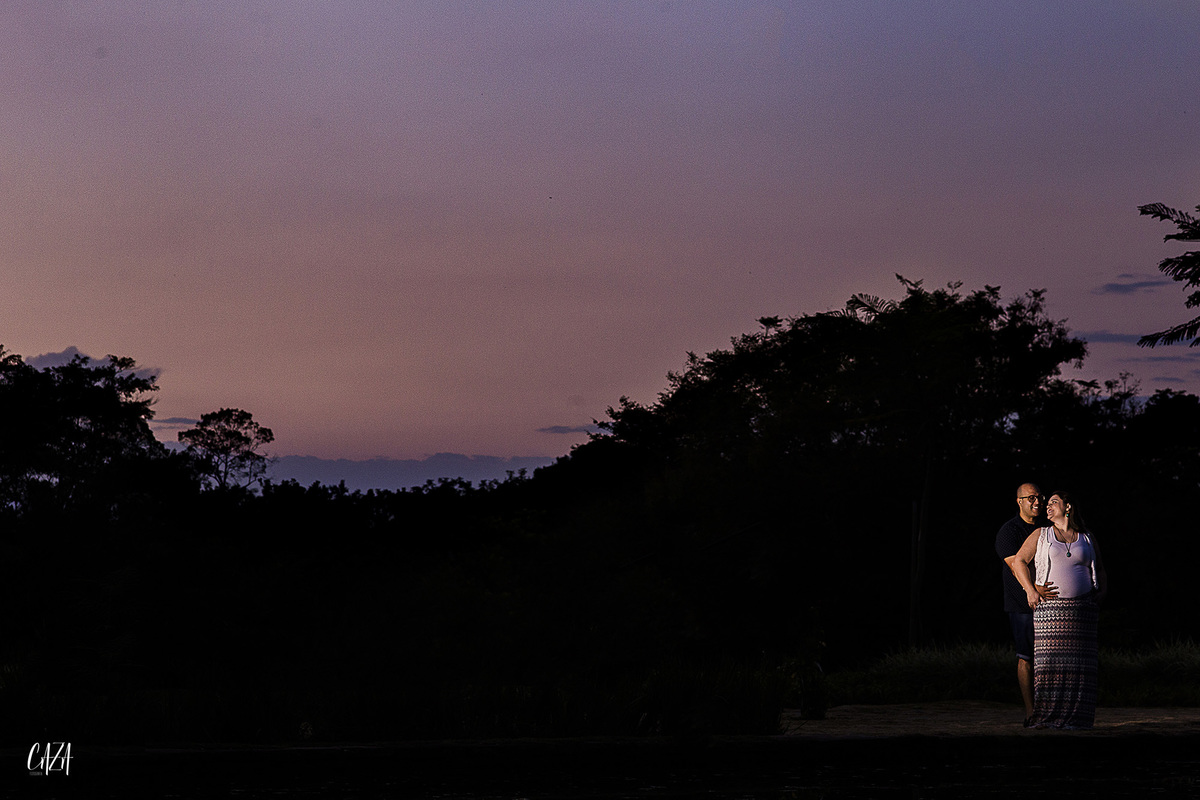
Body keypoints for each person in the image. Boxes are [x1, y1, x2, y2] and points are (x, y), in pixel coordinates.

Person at [1011, 491, 1108, 729]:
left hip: (1082, 612)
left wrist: (1102, 592)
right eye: (1049, 503)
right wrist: (1030, 590)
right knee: (1050, 667)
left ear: (1068, 507)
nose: (1048, 506)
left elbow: (1100, 569)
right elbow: (1018, 561)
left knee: (1080, 668)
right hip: (1051, 613)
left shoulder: (1086, 537)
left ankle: (1078, 719)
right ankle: (1047, 717)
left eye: (1054, 502)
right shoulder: (1041, 534)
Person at [995, 483, 1054, 724]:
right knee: (1026, 656)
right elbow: (1015, 564)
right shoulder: (1009, 531)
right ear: (1019, 501)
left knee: (1049, 658)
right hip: (1022, 603)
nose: (1037, 502)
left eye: (1039, 497)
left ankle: (1051, 707)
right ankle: (1031, 711)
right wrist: (1033, 589)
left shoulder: (1048, 528)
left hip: (1049, 602)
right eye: (1031, 498)